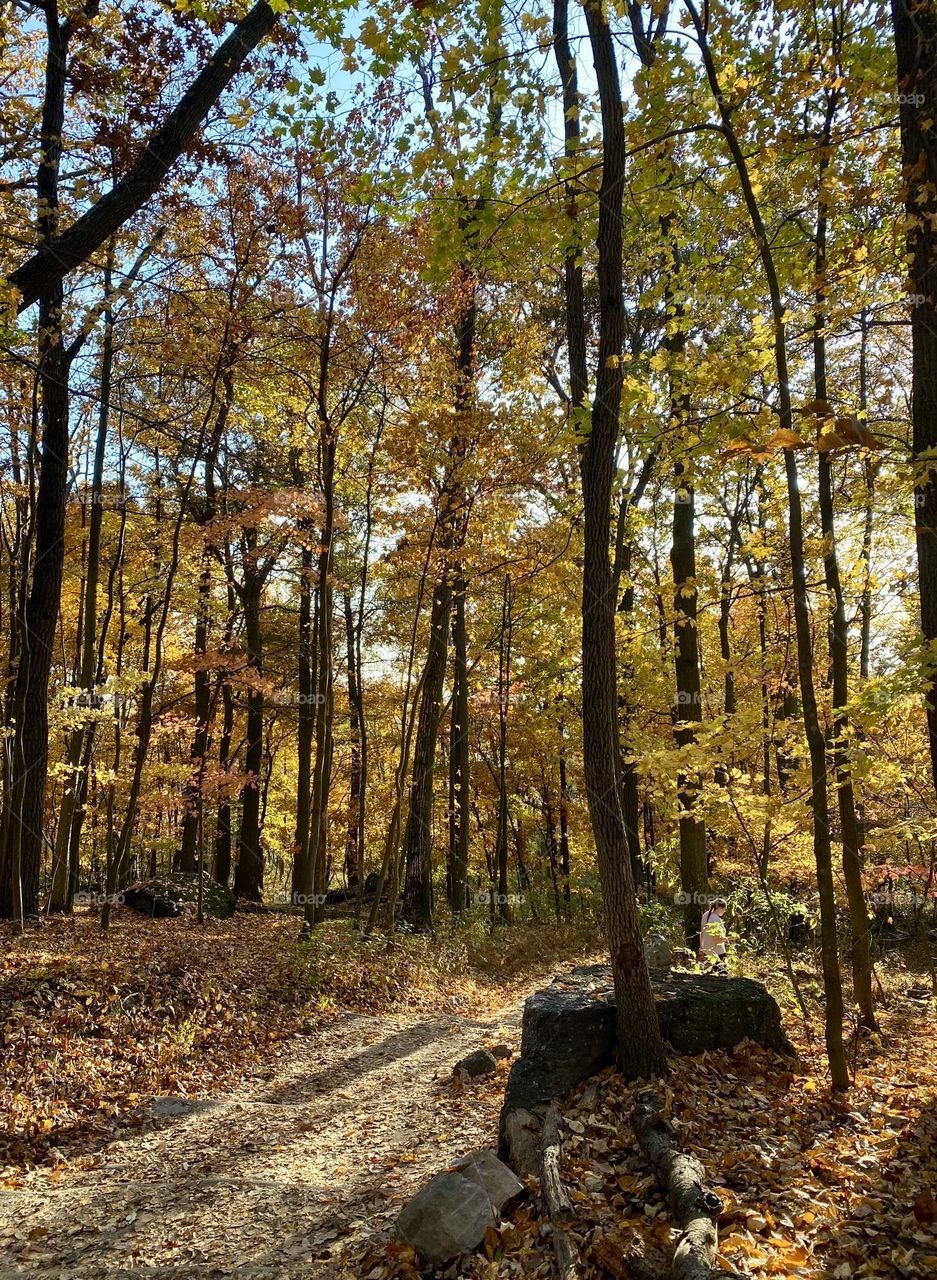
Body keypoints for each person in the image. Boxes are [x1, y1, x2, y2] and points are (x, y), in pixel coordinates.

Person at [699, 898, 728, 973]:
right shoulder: (716, 919)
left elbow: (702, 933)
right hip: (718, 952)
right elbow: (717, 940)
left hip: (707, 950)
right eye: (724, 909)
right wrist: (730, 938)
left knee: (713, 975)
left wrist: (702, 947)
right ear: (719, 908)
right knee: (722, 975)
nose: (725, 911)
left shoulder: (705, 915)